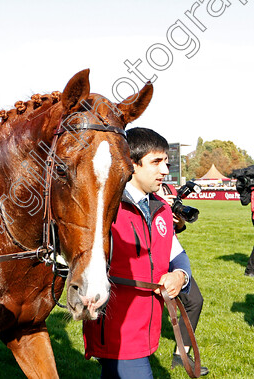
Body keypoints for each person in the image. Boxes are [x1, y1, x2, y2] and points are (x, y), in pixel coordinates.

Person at [83, 128, 193, 379]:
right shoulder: (103, 210)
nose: (165, 170)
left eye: (166, 162)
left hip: (148, 329)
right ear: (131, 164)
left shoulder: (163, 208)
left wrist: (180, 276)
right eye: (156, 162)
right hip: (115, 330)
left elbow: (179, 257)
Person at [157, 184, 209, 376]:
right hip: (146, 257)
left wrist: (177, 220)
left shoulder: (168, 188)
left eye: (166, 163)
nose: (163, 169)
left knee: (195, 301)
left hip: (170, 254)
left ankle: (181, 355)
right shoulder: (139, 188)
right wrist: (160, 205)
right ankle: (105, 349)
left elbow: (174, 230)